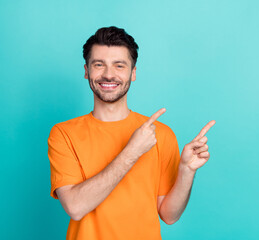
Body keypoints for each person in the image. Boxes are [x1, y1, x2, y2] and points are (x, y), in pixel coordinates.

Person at [48, 26, 215, 240]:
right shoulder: (63, 134)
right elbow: (75, 206)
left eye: (119, 65)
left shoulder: (160, 134)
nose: (108, 74)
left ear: (133, 73)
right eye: (98, 65)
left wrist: (186, 171)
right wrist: (132, 151)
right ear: (86, 70)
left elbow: (169, 215)